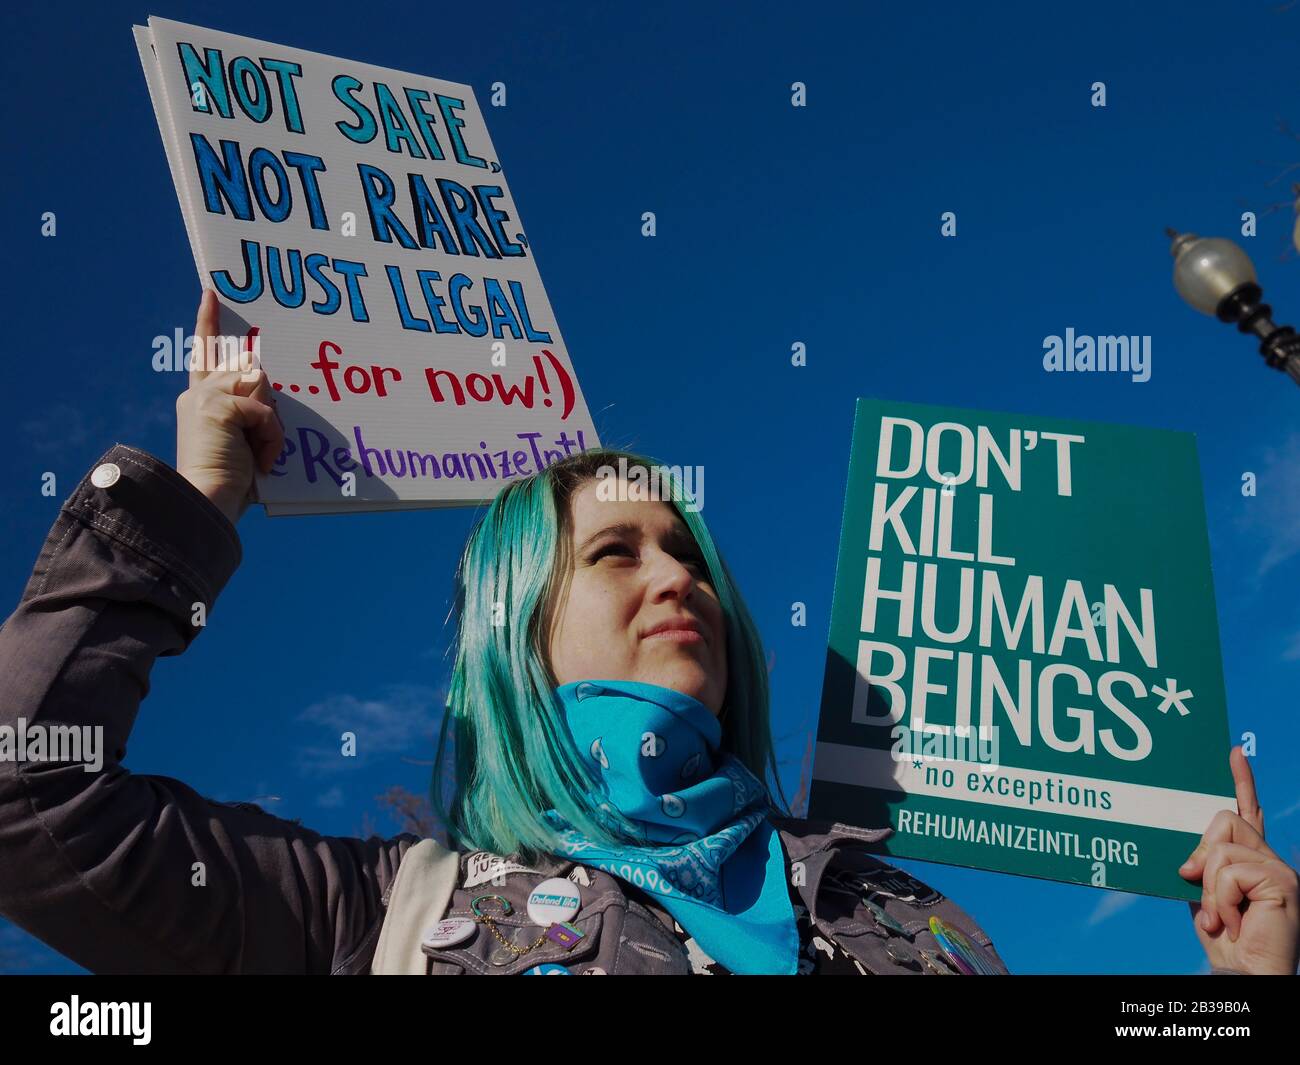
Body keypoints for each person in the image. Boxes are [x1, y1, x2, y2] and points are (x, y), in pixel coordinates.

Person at [0, 291, 1295, 976]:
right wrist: (189, 502)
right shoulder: (373, 920)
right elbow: (23, 793)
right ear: (518, 633)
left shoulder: (913, 917)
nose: (675, 574)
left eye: (687, 549)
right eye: (615, 553)